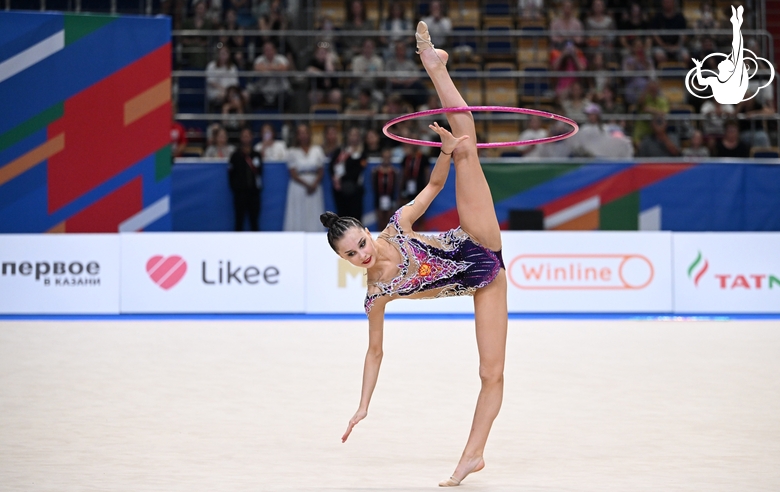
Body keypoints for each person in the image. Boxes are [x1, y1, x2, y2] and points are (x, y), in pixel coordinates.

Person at [331, 23, 508, 488]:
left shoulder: (398, 225)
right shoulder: (376, 295)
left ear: (369, 233)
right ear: (346, 261)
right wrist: (363, 404)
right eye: (352, 255)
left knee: (466, 144)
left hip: (477, 240)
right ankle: (473, 457)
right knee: (490, 373)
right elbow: (374, 352)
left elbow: (432, 186)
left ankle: (435, 66)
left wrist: (446, 153)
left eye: (360, 243)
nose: (362, 255)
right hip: (487, 281)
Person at [691, 6, 748, 105]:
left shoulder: (719, 57)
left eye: (709, 44)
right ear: (702, 45)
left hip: (724, 96)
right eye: (706, 44)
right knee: (699, 96)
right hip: (706, 93)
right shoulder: (697, 56)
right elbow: (699, 80)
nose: (708, 46)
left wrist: (714, 66)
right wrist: (699, 67)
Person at [285, 124, 326, 232]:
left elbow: (321, 171)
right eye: (300, 133)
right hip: (299, 185)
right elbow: (293, 173)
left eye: (305, 132)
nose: (303, 136)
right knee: (299, 211)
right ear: (297, 136)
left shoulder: (317, 150)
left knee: (313, 211)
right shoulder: (292, 151)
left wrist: (314, 184)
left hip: (314, 184)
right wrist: (307, 185)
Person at [228, 127, 263, 231]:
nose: (246, 138)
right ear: (240, 138)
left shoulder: (256, 155)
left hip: (253, 194)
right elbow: (231, 174)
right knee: (239, 222)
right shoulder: (235, 155)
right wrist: (236, 188)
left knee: (254, 222)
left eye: (248, 135)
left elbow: (260, 172)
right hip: (240, 194)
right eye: (244, 136)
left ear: (252, 137)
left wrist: (256, 189)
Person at [330, 127, 368, 221]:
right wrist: (335, 177)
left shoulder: (361, 152)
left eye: (356, 135)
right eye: (351, 135)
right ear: (347, 136)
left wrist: (343, 176)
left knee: (355, 216)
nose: (353, 137)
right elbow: (331, 165)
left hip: (355, 188)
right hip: (340, 189)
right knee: (342, 216)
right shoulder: (341, 151)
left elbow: (359, 169)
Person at [371, 147, 400, 228]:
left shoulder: (394, 172)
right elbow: (373, 185)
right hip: (379, 196)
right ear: (382, 158)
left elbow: (396, 185)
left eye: (388, 157)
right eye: (385, 157)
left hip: (390, 197)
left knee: (389, 219)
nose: (386, 159)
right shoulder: (376, 171)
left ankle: (387, 237)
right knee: (380, 219)